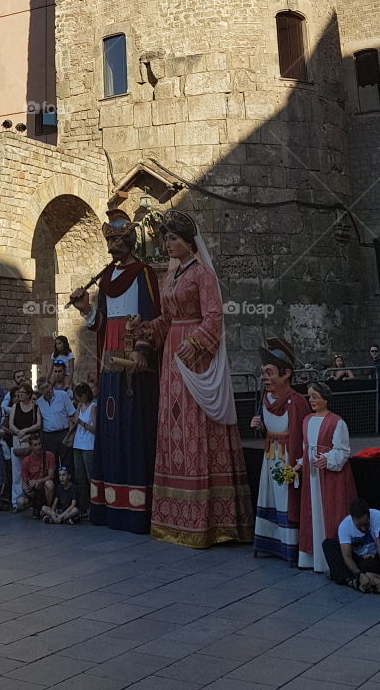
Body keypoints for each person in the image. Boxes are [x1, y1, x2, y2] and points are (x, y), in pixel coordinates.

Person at [133, 210, 253, 549]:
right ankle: (174, 516)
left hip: (195, 356)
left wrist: (197, 341)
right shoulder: (168, 278)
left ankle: (211, 520)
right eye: (165, 239)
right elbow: (165, 320)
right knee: (174, 427)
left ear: (189, 241)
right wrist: (144, 328)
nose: (168, 244)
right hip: (172, 356)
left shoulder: (203, 274)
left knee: (197, 425)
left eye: (173, 238)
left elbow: (214, 315)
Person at [69, 210, 160, 534]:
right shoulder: (106, 278)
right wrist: (85, 309)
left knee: (133, 429)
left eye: (117, 241)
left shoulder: (144, 272)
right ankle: (109, 506)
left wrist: (141, 350)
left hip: (134, 365)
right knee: (110, 430)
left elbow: (151, 315)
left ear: (129, 241)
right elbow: (100, 323)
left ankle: (137, 509)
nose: (112, 247)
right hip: (109, 362)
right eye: (109, 241)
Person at [251, 337, 310, 564]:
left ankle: (288, 545)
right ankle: (268, 542)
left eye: (269, 372)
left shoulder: (296, 402)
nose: (265, 378)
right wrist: (259, 427)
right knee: (269, 497)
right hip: (270, 456)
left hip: (287, 457)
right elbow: (269, 427)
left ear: (286, 374)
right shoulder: (265, 399)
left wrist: (296, 465)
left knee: (285, 499)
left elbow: (301, 437)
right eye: (263, 373)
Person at [296, 382, 356, 572]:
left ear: (325, 398)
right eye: (309, 396)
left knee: (329, 512)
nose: (311, 400)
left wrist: (328, 459)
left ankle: (330, 562)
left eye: (315, 396)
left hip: (329, 476)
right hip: (312, 476)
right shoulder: (306, 420)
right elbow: (306, 447)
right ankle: (312, 558)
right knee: (312, 512)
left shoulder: (336, 421)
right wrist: (299, 463)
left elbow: (343, 450)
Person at [323, 498, 380, 587]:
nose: (363, 529)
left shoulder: (378, 517)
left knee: (370, 565)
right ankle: (351, 579)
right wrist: (359, 574)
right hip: (356, 558)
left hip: (371, 559)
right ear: (352, 519)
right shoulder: (345, 525)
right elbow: (347, 556)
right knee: (328, 544)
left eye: (365, 524)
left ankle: (339, 573)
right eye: (359, 526)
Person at [69, 382, 96, 518]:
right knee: (80, 478)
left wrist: (82, 423)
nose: (78, 399)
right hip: (78, 444)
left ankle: (94, 506)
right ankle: (84, 506)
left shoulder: (93, 407)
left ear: (85, 395)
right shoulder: (80, 406)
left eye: (80, 396)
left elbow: (95, 429)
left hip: (88, 445)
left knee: (90, 476)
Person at [36, 380, 74, 468]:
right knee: (51, 462)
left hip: (63, 433)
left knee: (67, 460)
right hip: (48, 436)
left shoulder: (63, 395)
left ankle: (68, 480)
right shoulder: (39, 402)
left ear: (51, 385)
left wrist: (71, 434)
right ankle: (53, 481)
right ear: (40, 391)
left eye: (47, 386)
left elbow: (72, 415)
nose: (46, 390)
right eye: (43, 388)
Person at [17, 433, 56, 518]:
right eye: (35, 445)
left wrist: (39, 481)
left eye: (39, 444)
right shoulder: (26, 460)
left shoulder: (50, 455)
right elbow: (23, 482)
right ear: (31, 447)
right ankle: (33, 507)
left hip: (43, 489)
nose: (38, 447)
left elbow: (51, 476)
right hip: (33, 491)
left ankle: (47, 508)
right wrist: (26, 489)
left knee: (49, 483)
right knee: (20, 502)